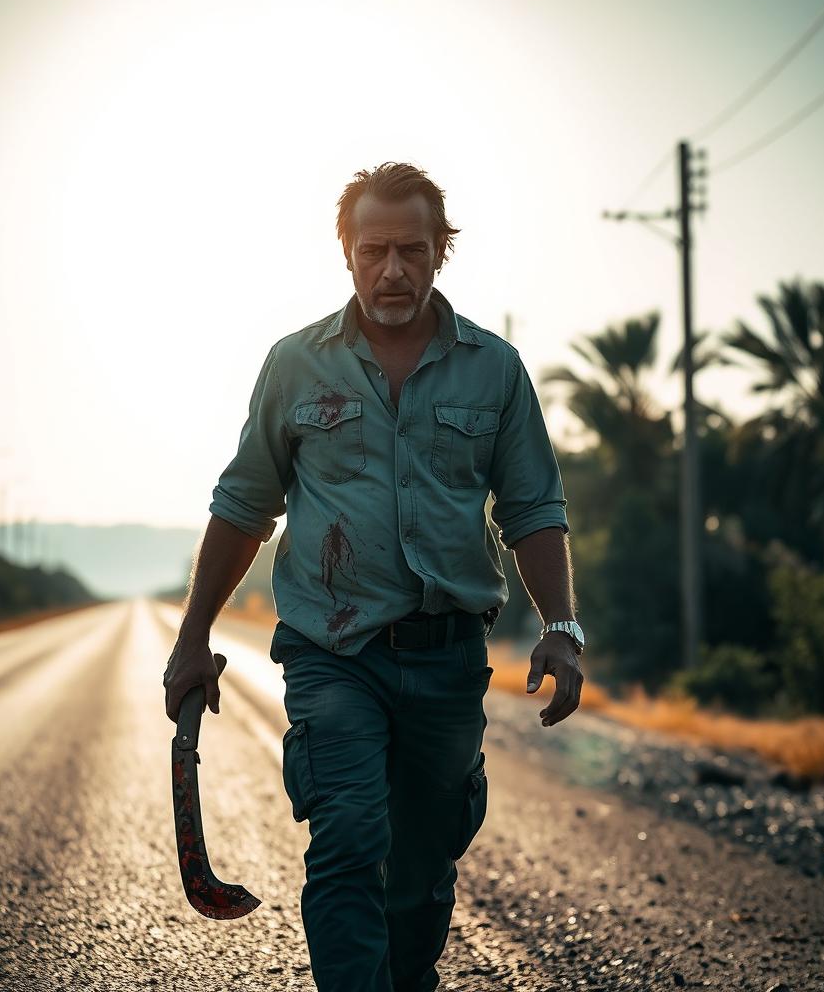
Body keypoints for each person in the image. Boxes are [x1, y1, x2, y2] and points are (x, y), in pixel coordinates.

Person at [163, 162, 584, 992]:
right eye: (374, 251)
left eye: (411, 251)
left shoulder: (494, 371)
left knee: (423, 864)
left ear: (440, 254)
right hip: (333, 651)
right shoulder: (295, 365)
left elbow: (533, 506)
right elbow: (245, 505)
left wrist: (562, 628)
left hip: (448, 656)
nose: (392, 270)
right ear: (346, 255)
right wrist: (191, 636)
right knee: (350, 836)